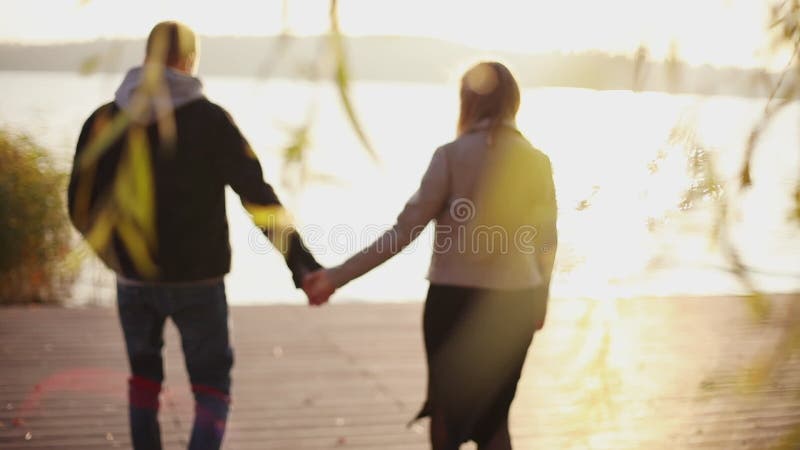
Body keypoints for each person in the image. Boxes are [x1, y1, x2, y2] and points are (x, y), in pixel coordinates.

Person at [67, 21, 324, 450]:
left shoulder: (106, 119)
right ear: (188, 61)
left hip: (134, 281)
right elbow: (257, 197)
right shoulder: (210, 120)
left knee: (144, 382)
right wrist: (302, 264)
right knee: (211, 387)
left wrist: (113, 257)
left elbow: (79, 203)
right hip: (199, 282)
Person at [304, 62, 558, 449]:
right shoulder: (536, 161)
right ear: (514, 102)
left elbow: (404, 232)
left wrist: (335, 277)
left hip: (452, 300)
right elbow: (546, 242)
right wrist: (541, 299)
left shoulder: (451, 156)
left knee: (446, 413)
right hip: (515, 303)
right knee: (494, 417)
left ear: (466, 102)